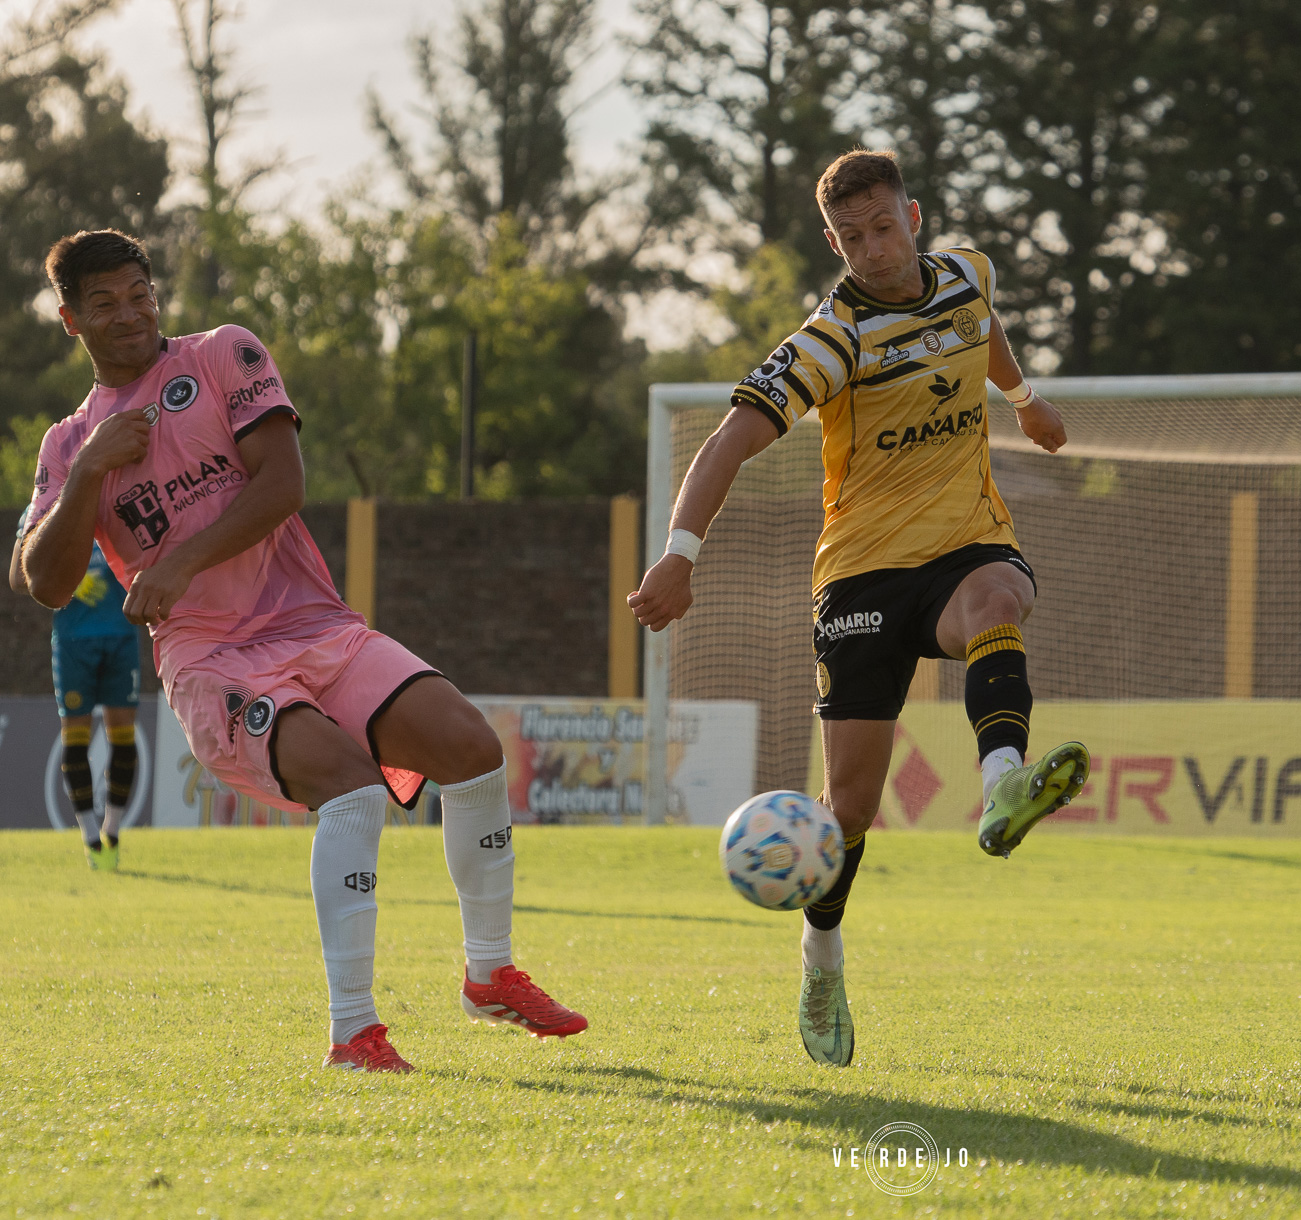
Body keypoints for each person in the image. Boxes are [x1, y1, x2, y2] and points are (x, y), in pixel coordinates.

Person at [13, 229, 586, 1073]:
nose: (129, 313)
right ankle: (354, 1032)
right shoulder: (70, 444)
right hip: (214, 663)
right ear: (70, 320)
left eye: (139, 293)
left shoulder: (222, 355)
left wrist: (174, 561)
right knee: (351, 788)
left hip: (315, 625)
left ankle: (489, 972)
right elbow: (42, 580)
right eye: (104, 303)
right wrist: (94, 469)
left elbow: (283, 484)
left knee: (470, 748)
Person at [630, 150, 1090, 1067]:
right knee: (849, 814)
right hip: (862, 579)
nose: (872, 250)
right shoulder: (828, 339)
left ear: (913, 217)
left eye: (883, 228)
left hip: (964, 545)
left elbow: (981, 326)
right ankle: (822, 955)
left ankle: (1004, 784)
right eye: (851, 237)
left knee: (1002, 596)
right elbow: (729, 441)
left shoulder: (967, 274)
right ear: (832, 241)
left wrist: (1025, 400)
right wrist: (681, 557)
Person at [9, 517, 141, 869]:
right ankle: (89, 837)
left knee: (123, 738)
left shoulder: (116, 496)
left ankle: (112, 832)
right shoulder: (42, 505)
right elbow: (18, 578)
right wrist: (68, 583)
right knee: (76, 738)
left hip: (120, 636)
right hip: (73, 644)